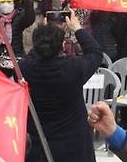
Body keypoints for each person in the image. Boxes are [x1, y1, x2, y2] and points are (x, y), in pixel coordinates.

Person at [19, 11, 103, 162]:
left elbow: (34, 54)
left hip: (39, 149)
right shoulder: (73, 68)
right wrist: (77, 28)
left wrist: (45, 33)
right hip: (73, 149)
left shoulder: (25, 68)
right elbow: (95, 53)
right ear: (63, 45)